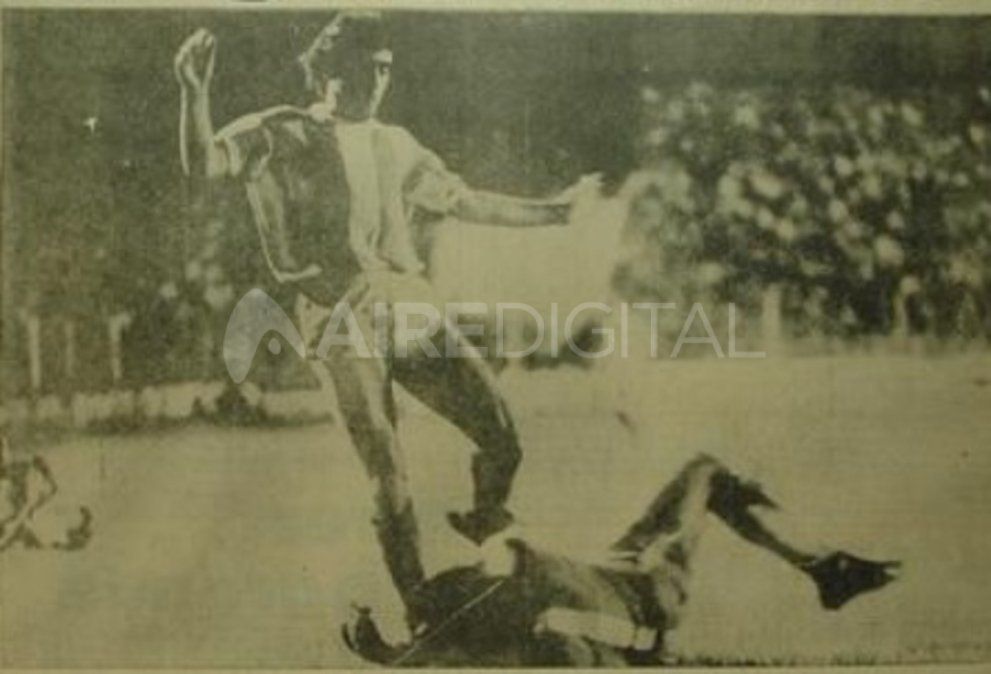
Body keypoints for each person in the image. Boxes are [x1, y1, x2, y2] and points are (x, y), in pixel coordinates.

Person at [174, 12, 599, 626]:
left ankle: (486, 523)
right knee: (385, 460)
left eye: (385, 68)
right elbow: (204, 163)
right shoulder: (279, 131)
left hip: (408, 306)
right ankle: (420, 608)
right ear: (329, 69)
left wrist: (552, 213)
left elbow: (465, 199)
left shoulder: (395, 144)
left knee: (501, 431)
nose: (378, 80)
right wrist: (195, 92)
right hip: (339, 315)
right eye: (367, 67)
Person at [342, 453, 901, 667]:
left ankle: (828, 569)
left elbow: (431, 647)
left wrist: (386, 649)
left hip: (611, 575)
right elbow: (587, 651)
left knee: (709, 474)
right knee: (708, 474)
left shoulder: (459, 607)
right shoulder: (517, 628)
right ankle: (828, 570)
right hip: (639, 591)